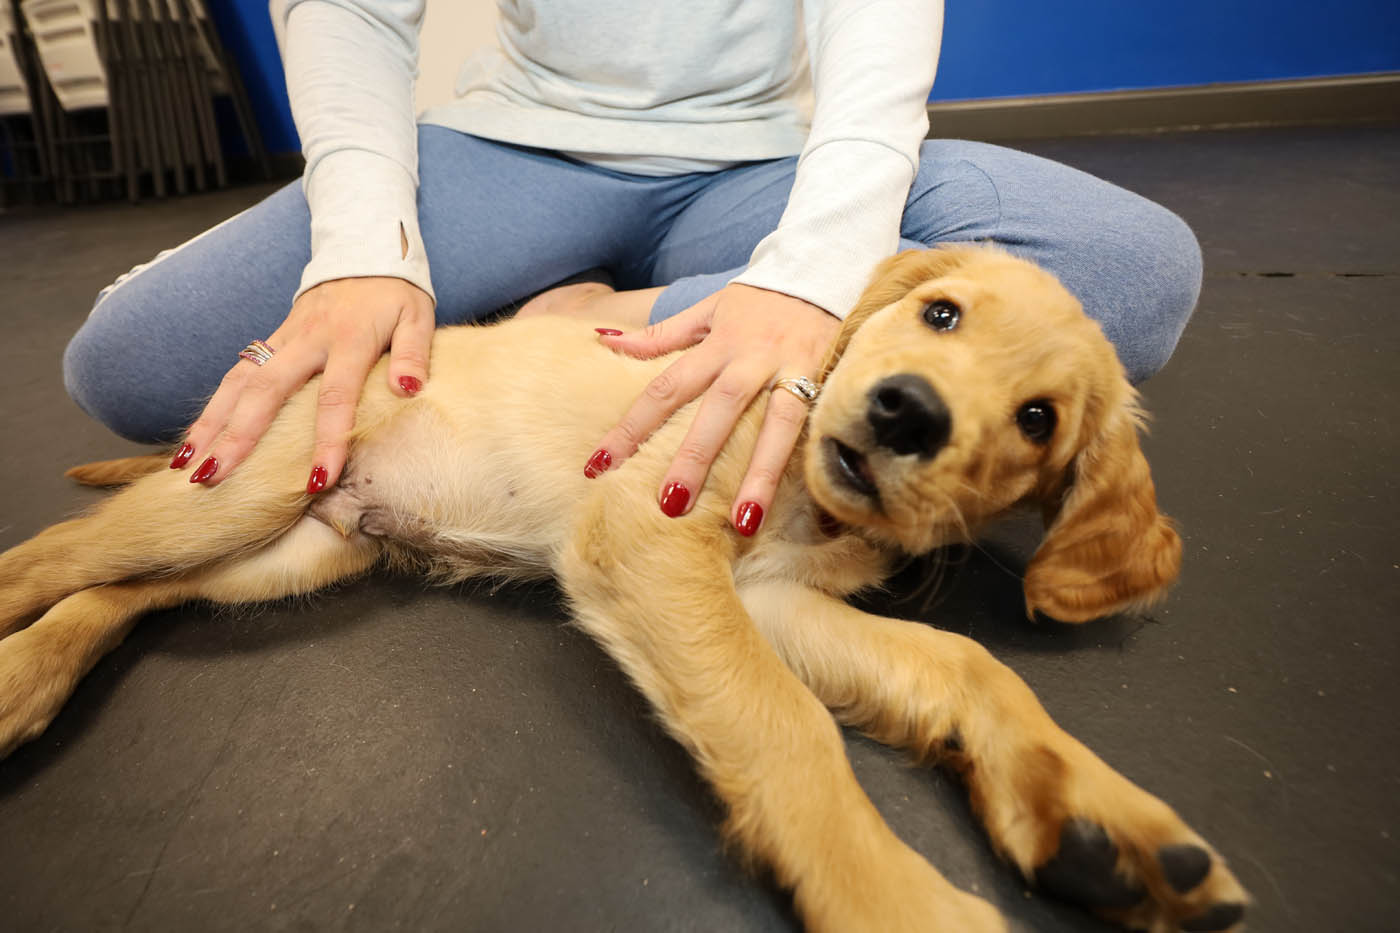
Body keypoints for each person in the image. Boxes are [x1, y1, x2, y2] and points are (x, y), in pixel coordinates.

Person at [63, 0, 1202, 538]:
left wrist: (806, 277)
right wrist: (358, 252)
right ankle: (527, 295)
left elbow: (874, 35)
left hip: (755, 175)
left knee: (1132, 269)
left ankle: (594, 312)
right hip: (516, 152)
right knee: (132, 367)